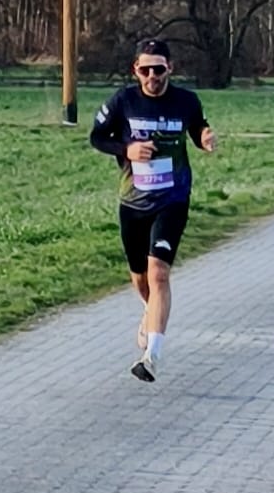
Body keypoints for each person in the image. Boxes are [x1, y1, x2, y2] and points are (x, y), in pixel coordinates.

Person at [89, 39, 217, 382]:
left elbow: (197, 127)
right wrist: (126, 149)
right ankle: (151, 312)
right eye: (145, 70)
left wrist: (205, 137)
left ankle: (151, 357)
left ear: (169, 68)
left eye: (158, 69)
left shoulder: (186, 101)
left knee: (159, 273)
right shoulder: (123, 101)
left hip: (172, 200)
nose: (152, 76)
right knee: (140, 277)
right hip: (133, 201)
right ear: (136, 70)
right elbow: (97, 137)